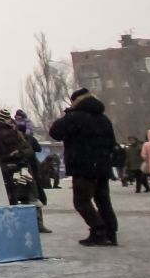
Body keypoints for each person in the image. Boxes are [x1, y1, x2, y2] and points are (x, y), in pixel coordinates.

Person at [48, 89, 119, 246]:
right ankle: (111, 232)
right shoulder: (104, 119)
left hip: (83, 166)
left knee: (81, 201)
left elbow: (55, 132)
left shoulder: (74, 117)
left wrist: (69, 114)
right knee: (103, 200)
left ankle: (99, 230)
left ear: (76, 101)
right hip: (102, 166)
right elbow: (111, 143)